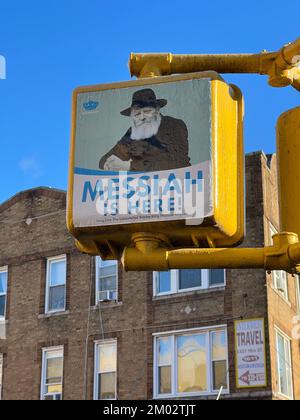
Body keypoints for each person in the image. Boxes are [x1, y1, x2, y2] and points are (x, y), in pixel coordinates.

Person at [99, 88, 190, 172]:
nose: (142, 117)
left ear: (157, 110)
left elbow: (174, 162)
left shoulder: (173, 125)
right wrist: (108, 163)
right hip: (147, 187)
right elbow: (104, 160)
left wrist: (128, 166)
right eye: (137, 114)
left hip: (182, 185)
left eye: (146, 111)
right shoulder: (133, 133)